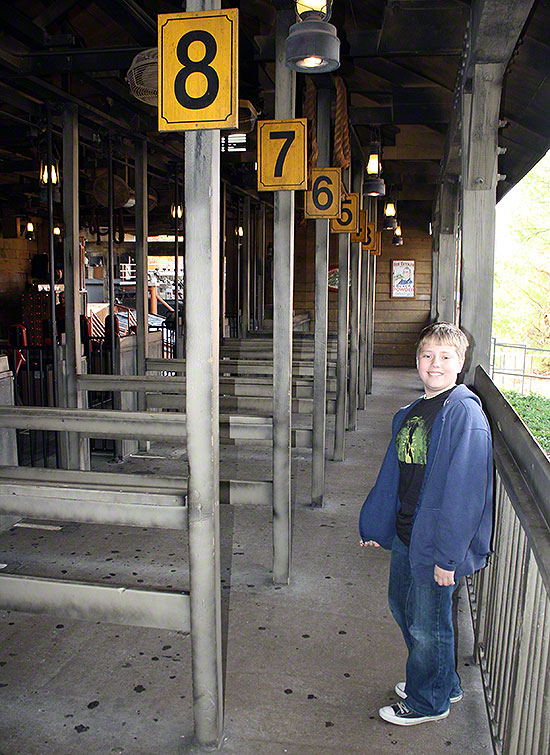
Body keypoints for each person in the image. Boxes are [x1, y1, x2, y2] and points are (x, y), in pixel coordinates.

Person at [359, 322, 493, 726]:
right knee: (403, 607)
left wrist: (448, 558)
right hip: (408, 532)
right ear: (417, 360)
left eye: (445, 357)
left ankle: (427, 701)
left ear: (461, 362)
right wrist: (377, 524)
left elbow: (465, 496)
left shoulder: (465, 414)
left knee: (428, 626)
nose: (435, 364)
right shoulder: (414, 410)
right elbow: (395, 475)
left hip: (436, 543)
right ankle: (441, 680)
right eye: (427, 355)